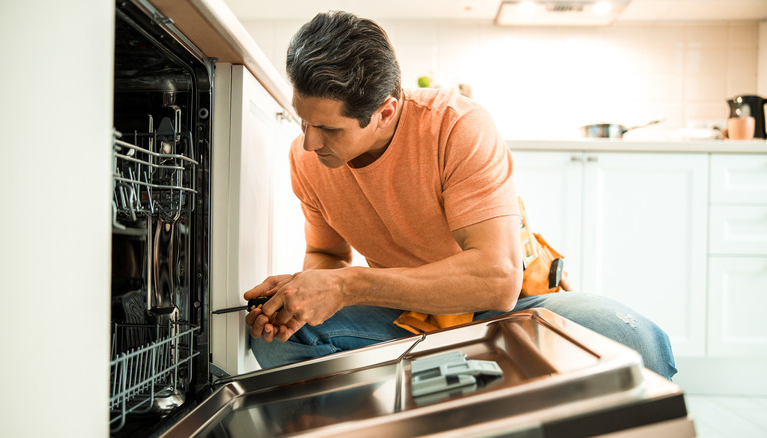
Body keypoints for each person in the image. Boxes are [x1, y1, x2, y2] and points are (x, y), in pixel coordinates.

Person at [244, 10, 676, 380]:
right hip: (406, 314)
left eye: (329, 130)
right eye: (304, 122)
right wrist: (305, 297)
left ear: (386, 111)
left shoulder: (455, 126)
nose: (308, 144)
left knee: (633, 336)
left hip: (507, 312)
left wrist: (345, 286)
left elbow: (497, 281)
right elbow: (326, 253)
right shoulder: (307, 161)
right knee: (279, 341)